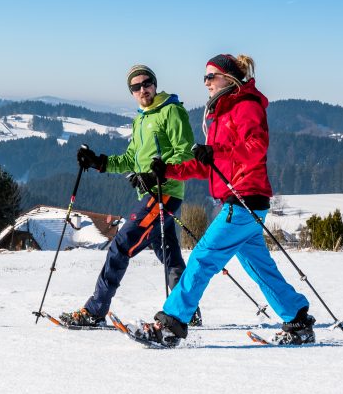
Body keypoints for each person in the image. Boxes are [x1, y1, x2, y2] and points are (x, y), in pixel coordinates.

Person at [132, 54, 316, 346]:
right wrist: (166, 170)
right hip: (243, 201)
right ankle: (297, 319)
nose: (206, 82)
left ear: (228, 78)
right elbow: (207, 164)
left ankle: (171, 323)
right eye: (204, 77)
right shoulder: (222, 112)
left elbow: (256, 147)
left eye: (211, 76)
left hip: (244, 200)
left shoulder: (246, 106)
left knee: (203, 257)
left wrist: (216, 152)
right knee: (259, 266)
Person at [60, 64, 197, 327]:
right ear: (132, 92)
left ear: (155, 85)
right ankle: (187, 308)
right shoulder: (141, 118)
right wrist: (98, 162)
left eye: (147, 83)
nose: (143, 89)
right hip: (150, 193)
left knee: (121, 245)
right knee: (168, 253)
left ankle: (95, 310)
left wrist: (160, 172)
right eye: (136, 87)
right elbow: (129, 160)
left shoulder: (171, 111)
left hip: (163, 192)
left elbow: (185, 153)